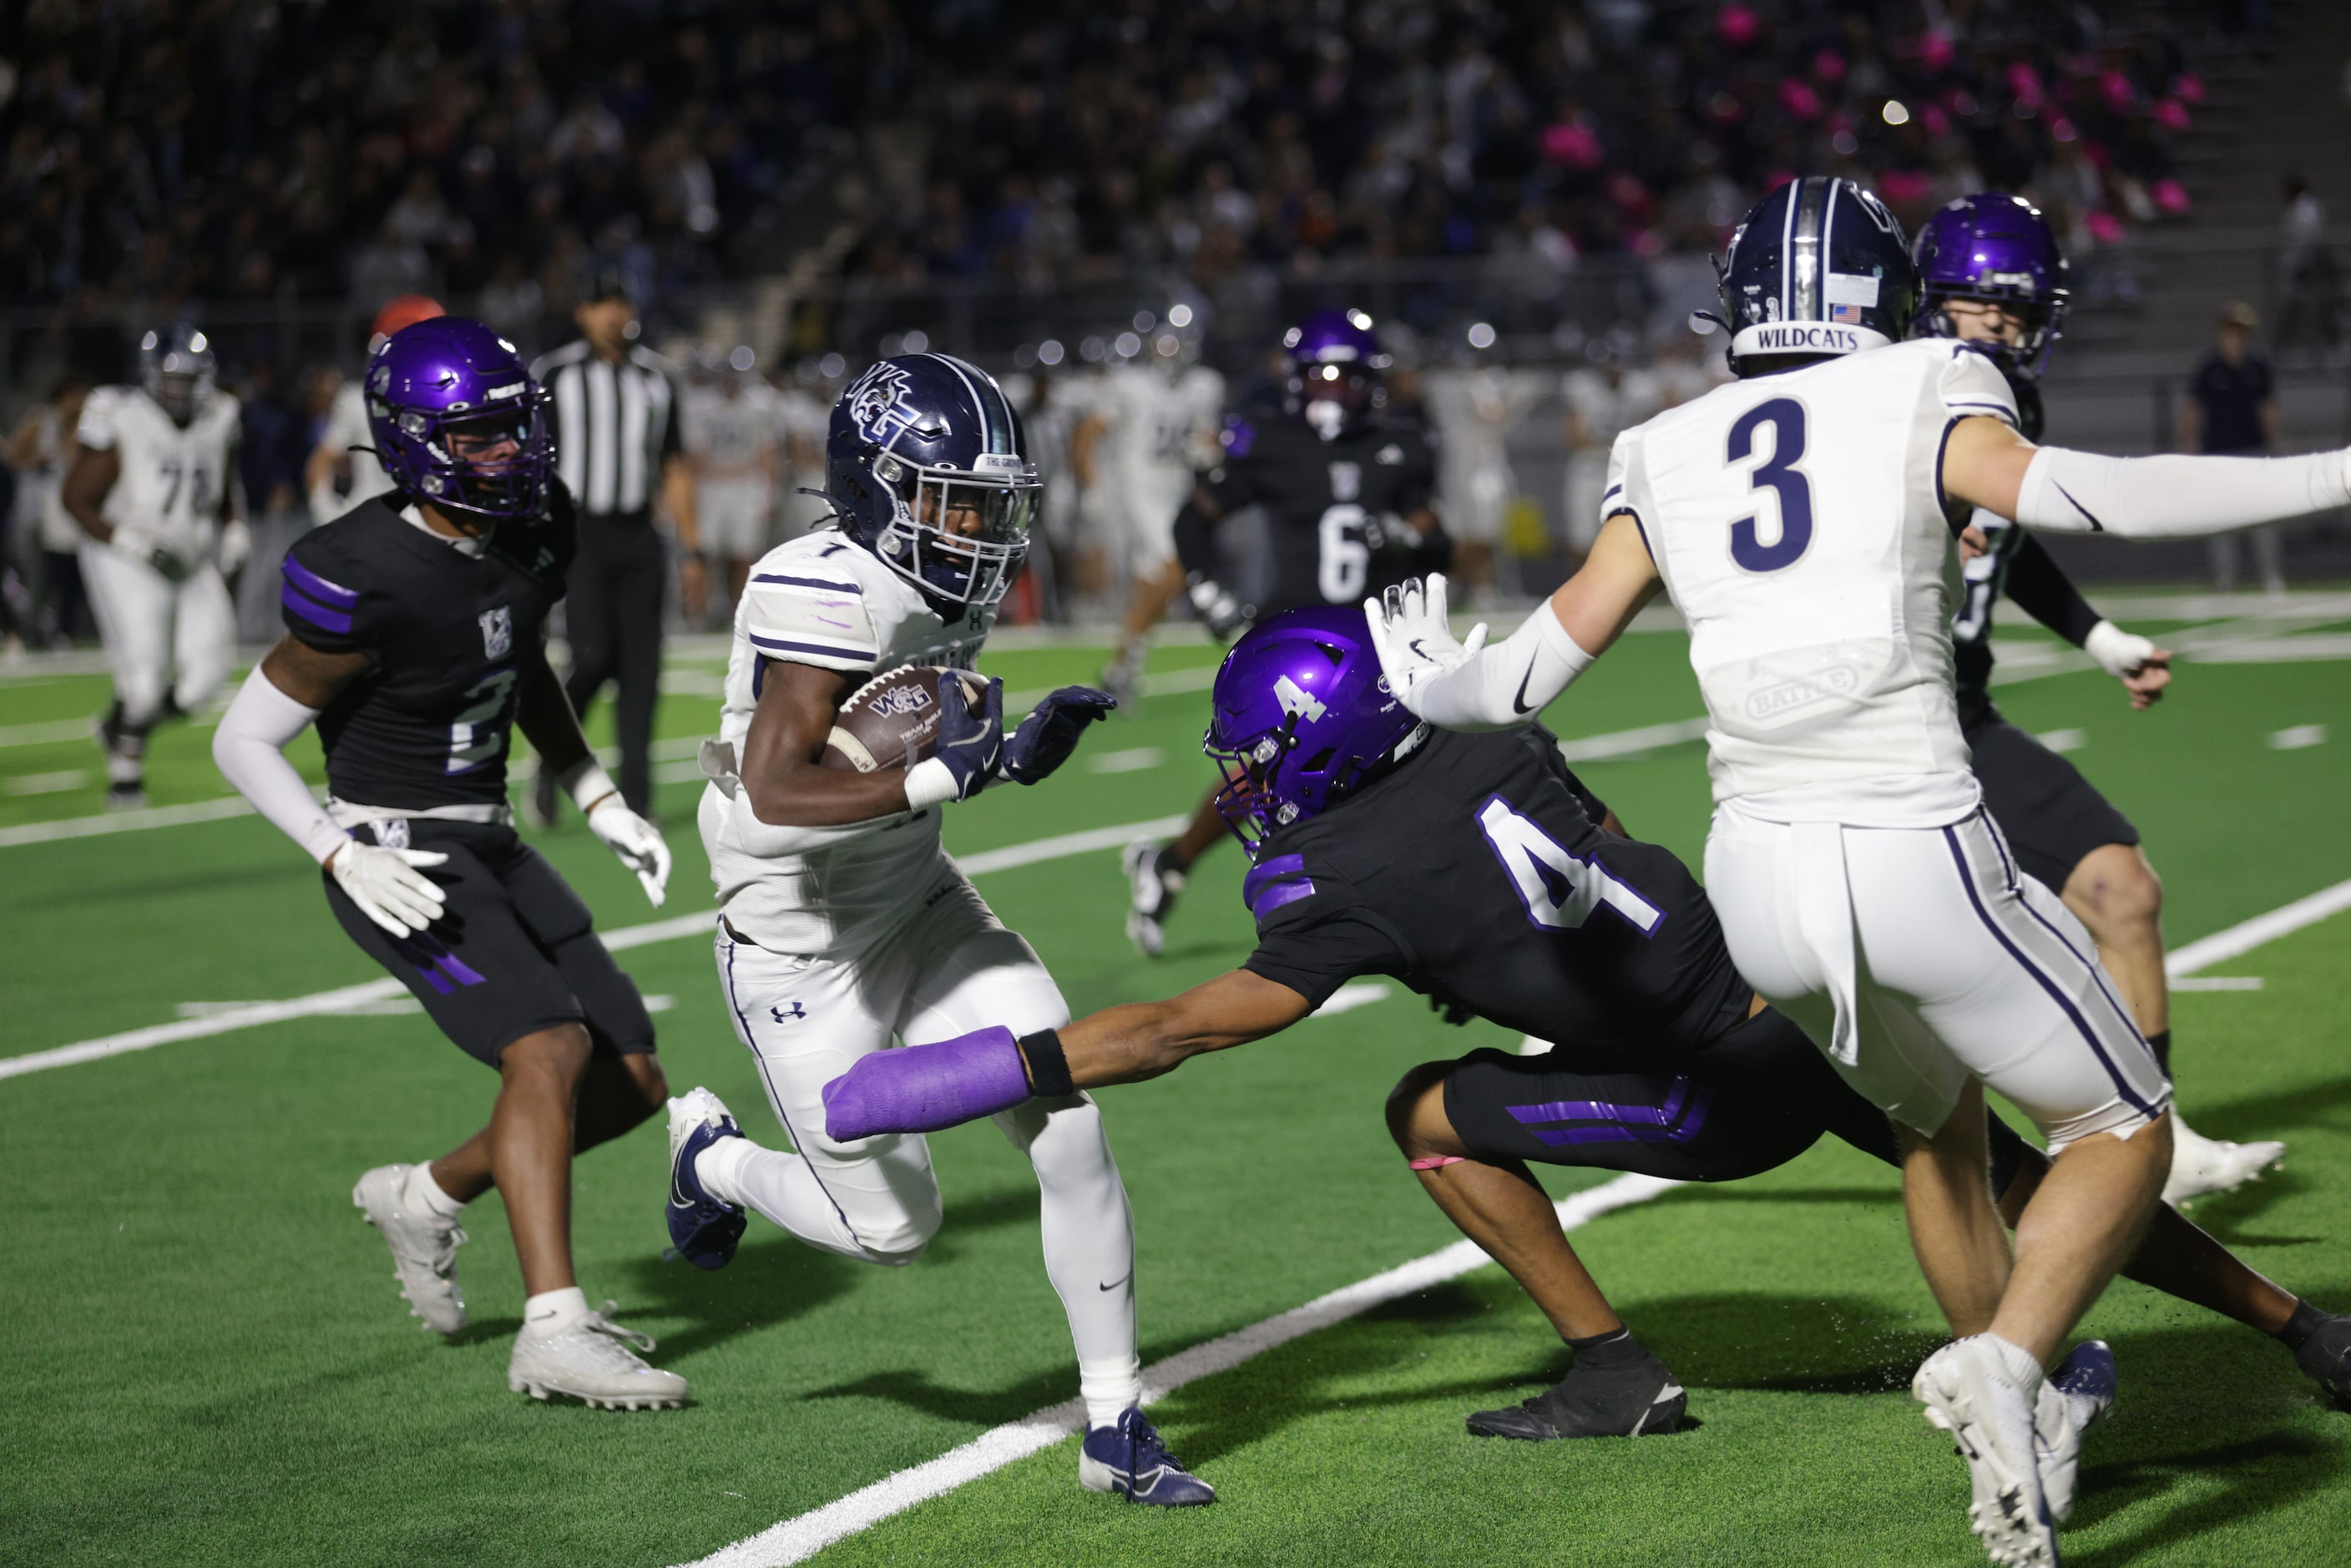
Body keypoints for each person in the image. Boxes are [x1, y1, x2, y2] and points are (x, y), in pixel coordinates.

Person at [1361, 177, 2351, 1564]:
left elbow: (1522, 674)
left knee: (1934, 1130)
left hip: (1756, 884)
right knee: (2122, 1120)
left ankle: (2008, 1416)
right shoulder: (1930, 378)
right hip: (1909, 838)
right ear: (1877, 298)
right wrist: (2333, 469)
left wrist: (1435, 677)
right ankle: (2013, 1366)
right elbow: (2101, 495)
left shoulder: (1663, 443)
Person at [817, 604, 2351, 1439]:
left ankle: (1614, 1366)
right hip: (1785, 991)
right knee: (2030, 1170)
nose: (1239, 782)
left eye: (1249, 756)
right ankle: (2311, 1329)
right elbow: (1607, 833)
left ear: (1310, 742)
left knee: (1424, 1106)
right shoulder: (1502, 734)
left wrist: (975, 1071)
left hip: (1709, 1080)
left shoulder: (1343, 870)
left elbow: (1183, 1027)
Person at [663, 352, 1214, 1505]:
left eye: (987, 498)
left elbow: (920, 745)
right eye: (950, 495)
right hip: (798, 943)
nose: (974, 523)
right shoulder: (819, 583)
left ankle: (1115, 1420)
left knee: (1065, 1119)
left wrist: (1004, 761)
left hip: (920, 905)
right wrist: (947, 782)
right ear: (873, 486)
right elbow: (776, 789)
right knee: (895, 1229)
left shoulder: (939, 578)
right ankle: (713, 1160)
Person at [210, 317, 684, 1409]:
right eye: (477, 439)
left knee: (633, 1078)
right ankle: (553, 1329)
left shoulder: (537, 527)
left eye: (514, 430)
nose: (509, 456)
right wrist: (336, 851)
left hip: (488, 829)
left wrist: (597, 788)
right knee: (549, 1047)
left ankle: (424, 1194)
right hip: (396, 847)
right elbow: (243, 740)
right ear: (416, 442)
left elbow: (518, 664)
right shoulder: (360, 572)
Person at [1914, 195, 2284, 1205]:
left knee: (2123, 890)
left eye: (2017, 317)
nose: (2006, 335)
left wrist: (2099, 636)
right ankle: (1628, 988)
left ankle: (2156, 1143)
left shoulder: (2003, 410)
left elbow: (2011, 543)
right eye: (1985, 313)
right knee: (1815, 969)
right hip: (1883, 721)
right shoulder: (1881, 405)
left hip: (1967, 715)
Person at [1122, 308, 1449, 957]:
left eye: (1348, 377)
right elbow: (1195, 519)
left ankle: (1382, 903)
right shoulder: (1270, 441)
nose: (1335, 390)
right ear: (1297, 381)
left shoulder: (1400, 446)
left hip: (1378, 638)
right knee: (1277, 774)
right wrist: (1207, 587)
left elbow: (1437, 542)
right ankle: (1176, 864)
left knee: (1407, 765)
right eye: (1322, 376)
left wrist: (1413, 535)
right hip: (1296, 640)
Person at [530, 270, 700, 820]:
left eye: (621, 302)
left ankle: (638, 797)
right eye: (602, 303)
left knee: (643, 670)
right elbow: (531, 464)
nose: (613, 314)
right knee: (593, 657)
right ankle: (553, 760)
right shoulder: (554, 375)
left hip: (638, 534)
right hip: (579, 534)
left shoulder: (656, 377)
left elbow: (674, 466)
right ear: (582, 312)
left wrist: (692, 549)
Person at [63, 325, 247, 809]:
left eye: (188, 380)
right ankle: (125, 776)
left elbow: (225, 483)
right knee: (144, 679)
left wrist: (233, 526)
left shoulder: (223, 413)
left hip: (190, 557)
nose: (178, 390)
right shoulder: (121, 412)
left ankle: (117, 724)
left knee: (206, 679)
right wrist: (124, 538)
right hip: (126, 554)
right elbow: (76, 498)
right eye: (171, 379)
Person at [1085, 325, 1226, 703]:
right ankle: (1129, 660)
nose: (1168, 352)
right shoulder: (1131, 384)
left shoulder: (1203, 386)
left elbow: (1208, 441)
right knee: (1175, 567)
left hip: (1178, 491)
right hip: (1139, 492)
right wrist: (1092, 486)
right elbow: (1087, 433)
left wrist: (1207, 453)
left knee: (1155, 584)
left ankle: (1123, 665)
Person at [306, 294, 446, 525]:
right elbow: (320, 463)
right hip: (370, 526)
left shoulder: (450, 405)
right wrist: (329, 517)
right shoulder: (358, 401)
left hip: (427, 527)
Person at [2180, 302, 2285, 597]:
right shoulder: (2209, 367)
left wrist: (2273, 441)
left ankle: (2270, 576)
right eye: (2233, 329)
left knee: (2263, 518)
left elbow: (2268, 407)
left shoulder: (2258, 366)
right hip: (2219, 456)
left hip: (2253, 452)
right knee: (2221, 520)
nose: (2237, 336)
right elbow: (2193, 408)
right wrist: (2188, 443)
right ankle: (2226, 580)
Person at [681, 344, 786, 613]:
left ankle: (738, 610)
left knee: (743, 554)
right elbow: (696, 457)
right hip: (712, 488)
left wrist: (770, 492)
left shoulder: (760, 406)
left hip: (745, 488)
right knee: (705, 554)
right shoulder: (702, 406)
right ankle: (700, 614)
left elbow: (768, 453)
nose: (732, 381)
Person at [8, 376, 93, 646]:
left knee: (58, 578)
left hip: (59, 519)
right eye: (78, 396)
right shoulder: (40, 419)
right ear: (65, 396)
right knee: (36, 578)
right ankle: (25, 633)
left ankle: (54, 632)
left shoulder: (78, 426)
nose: (82, 402)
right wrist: (38, 460)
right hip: (31, 514)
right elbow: (14, 457)